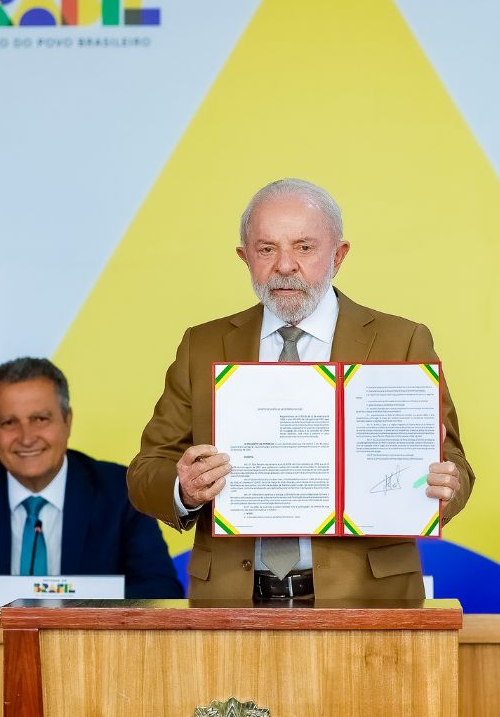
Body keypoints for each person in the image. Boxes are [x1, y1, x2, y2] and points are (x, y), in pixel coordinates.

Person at [127, 178, 474, 600]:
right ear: (244, 257)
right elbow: (146, 471)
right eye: (266, 249)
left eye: (304, 247)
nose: (285, 266)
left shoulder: (401, 341)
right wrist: (184, 489)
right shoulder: (201, 345)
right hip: (231, 600)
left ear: (338, 255)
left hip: (368, 598)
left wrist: (446, 486)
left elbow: (454, 463)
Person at [0, 357, 184, 614]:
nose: (26, 437)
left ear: (67, 421)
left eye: (40, 419)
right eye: (9, 422)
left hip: (90, 652)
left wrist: (78, 604)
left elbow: (162, 591)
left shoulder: (121, 490)